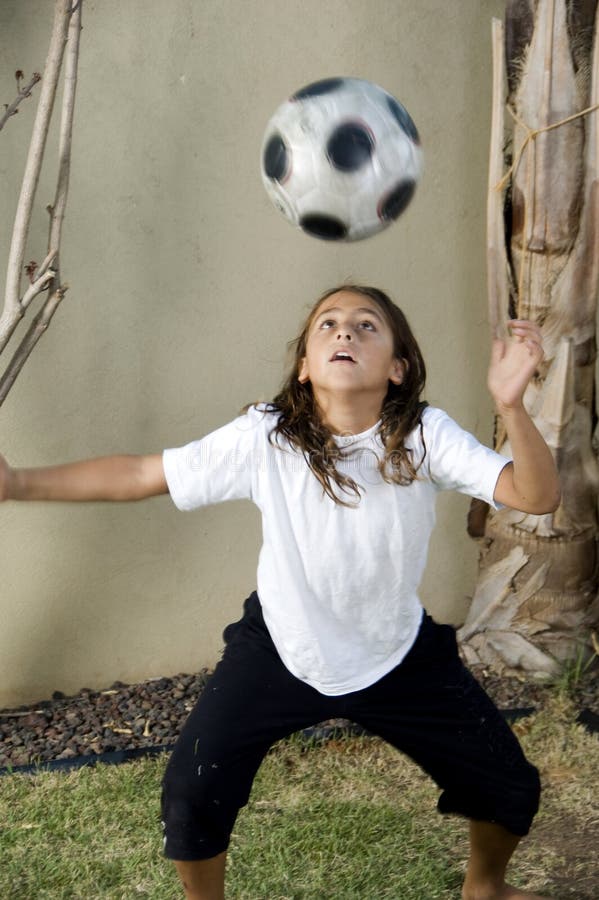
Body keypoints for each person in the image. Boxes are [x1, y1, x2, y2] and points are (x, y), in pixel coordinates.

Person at [0, 285, 560, 900]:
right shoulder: (267, 436)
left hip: (394, 649)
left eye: (367, 325)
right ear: (303, 366)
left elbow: (534, 496)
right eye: (328, 324)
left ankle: (485, 888)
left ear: (398, 368)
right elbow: (139, 473)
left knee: (507, 783)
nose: (344, 332)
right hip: (282, 646)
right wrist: (17, 481)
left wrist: (511, 406)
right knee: (193, 792)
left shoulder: (424, 435)